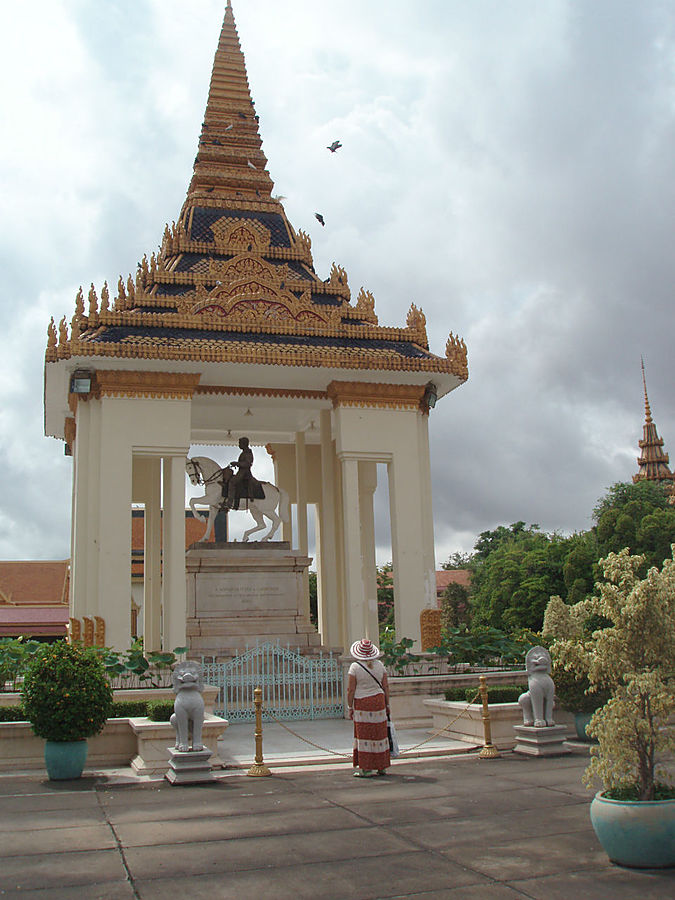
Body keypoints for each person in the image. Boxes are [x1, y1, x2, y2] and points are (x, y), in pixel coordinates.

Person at [347, 638, 391, 777]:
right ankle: (381, 766)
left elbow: (351, 690)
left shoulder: (355, 667)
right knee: (379, 734)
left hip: (362, 702)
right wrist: (387, 704)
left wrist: (350, 706)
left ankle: (366, 768)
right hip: (378, 701)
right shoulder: (380, 665)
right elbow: (386, 687)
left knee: (364, 735)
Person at [226, 436, 254, 510]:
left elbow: (248, 464)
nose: (239, 445)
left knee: (232, 482)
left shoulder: (248, 453)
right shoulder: (244, 452)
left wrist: (237, 463)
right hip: (241, 471)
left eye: (240, 443)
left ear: (244, 444)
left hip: (244, 472)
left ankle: (229, 503)